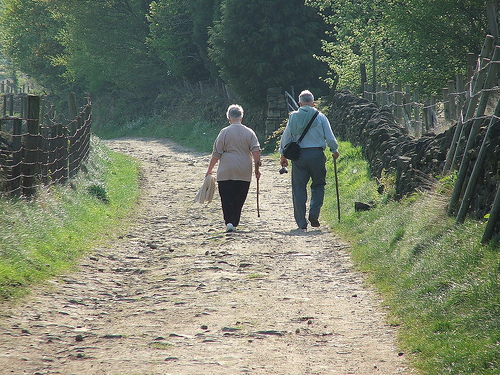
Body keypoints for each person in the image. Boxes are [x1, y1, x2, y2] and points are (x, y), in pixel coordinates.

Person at [279, 90, 339, 230]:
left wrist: (283, 155)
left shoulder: (293, 117)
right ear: (313, 103)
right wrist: (334, 150)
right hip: (317, 155)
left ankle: (301, 222)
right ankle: (314, 214)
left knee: (299, 188)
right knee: (318, 185)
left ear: (299, 103)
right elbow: (329, 137)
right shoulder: (320, 116)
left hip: (298, 157)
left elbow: (286, 137)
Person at [206, 104, 261, 232]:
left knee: (226, 198)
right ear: (241, 118)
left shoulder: (224, 132)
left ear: (229, 118)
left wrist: (210, 169)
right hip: (243, 171)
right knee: (239, 198)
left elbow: (216, 153)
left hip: (226, 171)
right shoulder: (249, 132)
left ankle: (229, 222)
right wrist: (257, 170)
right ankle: (235, 222)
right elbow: (256, 152)